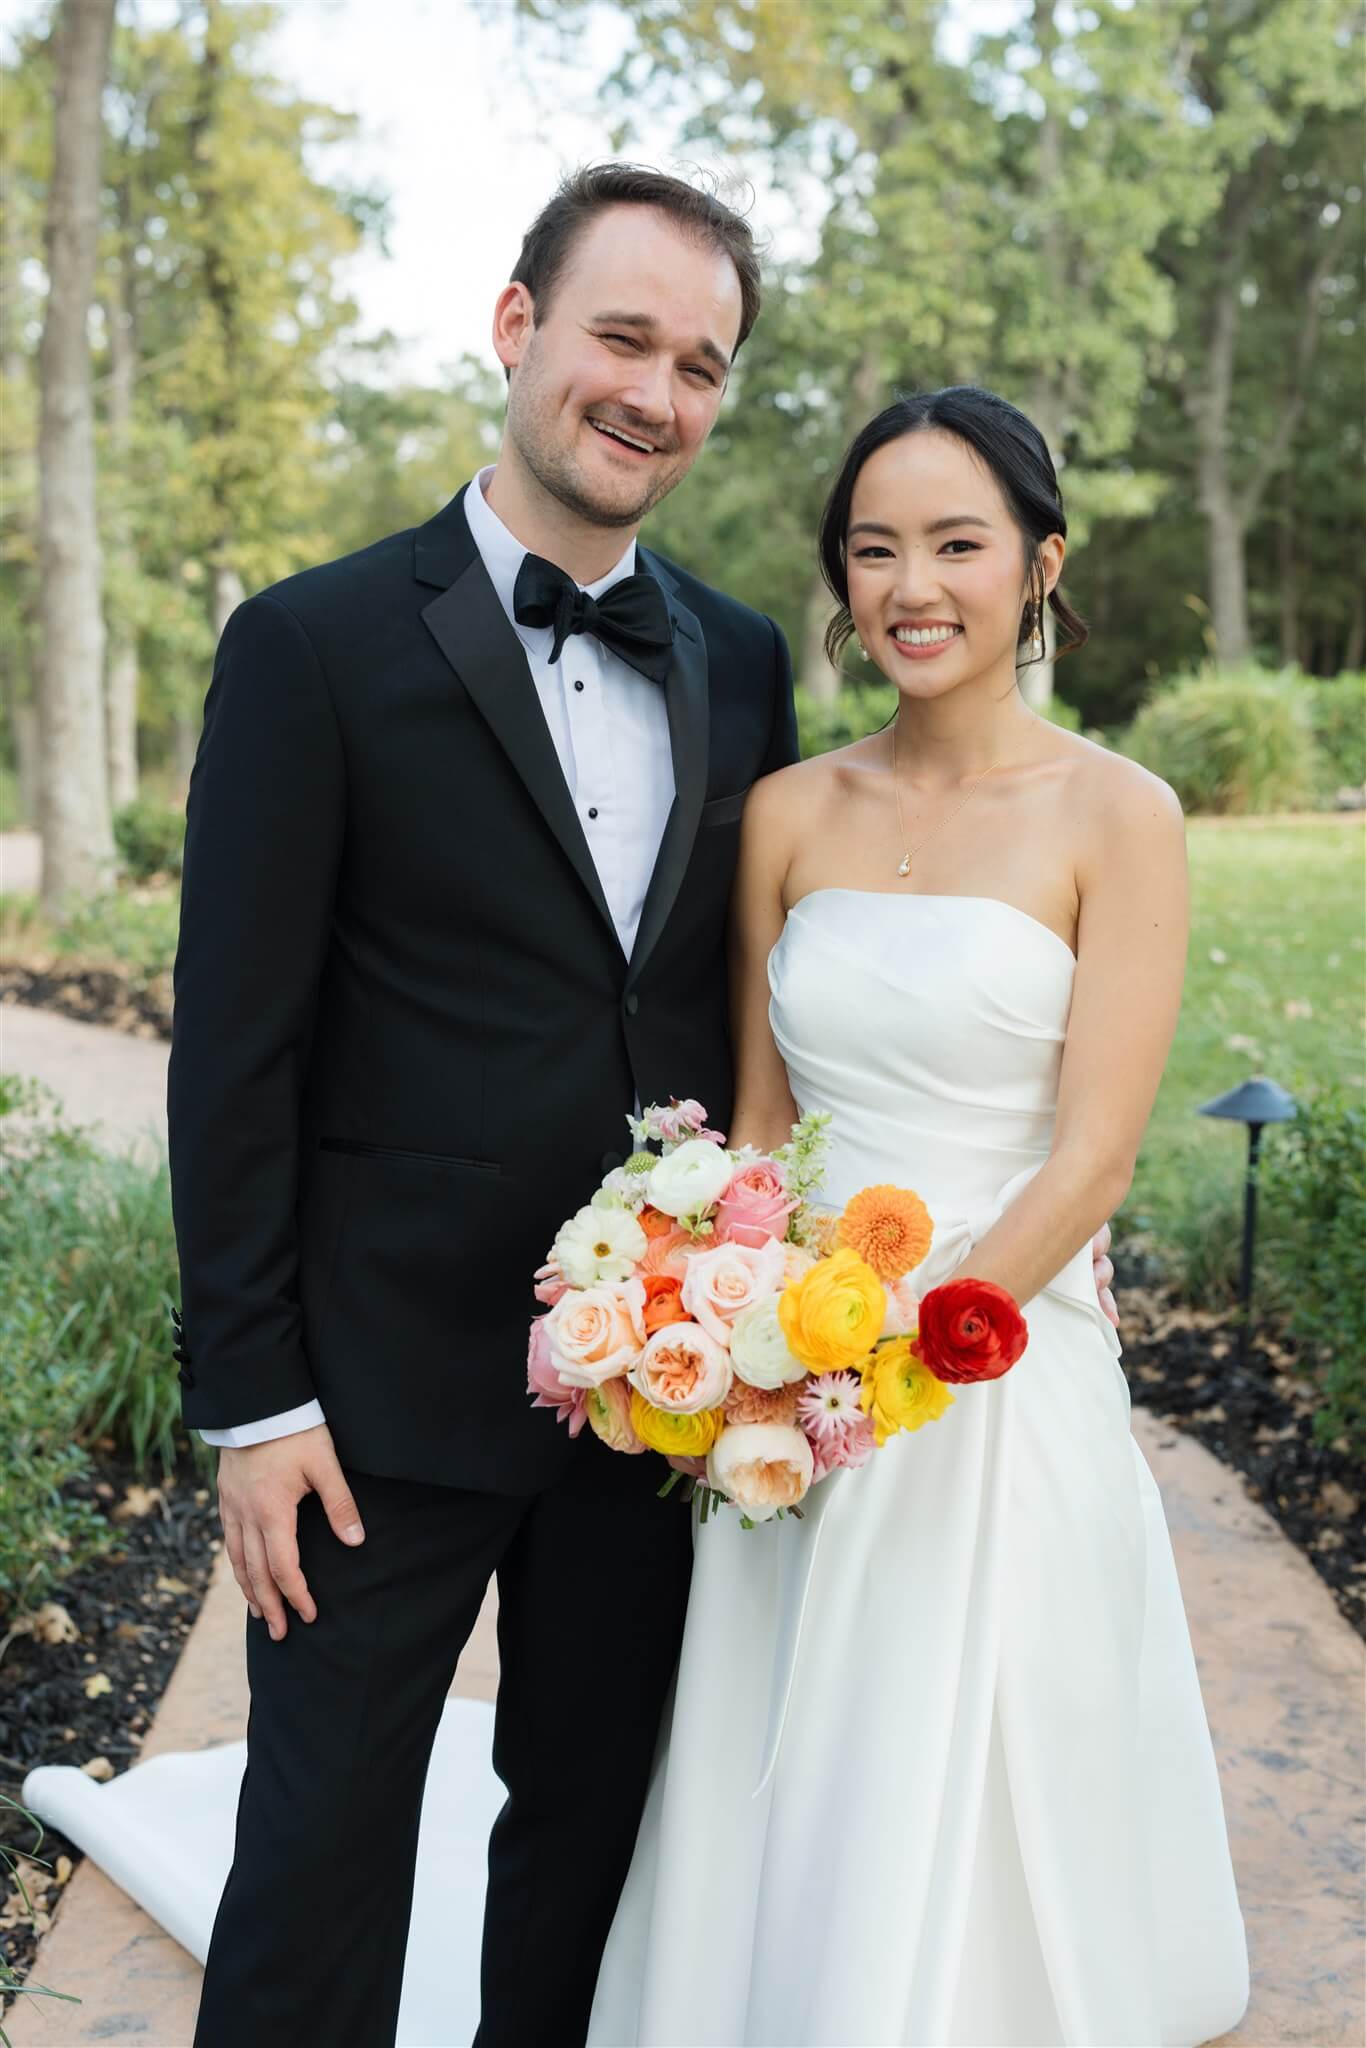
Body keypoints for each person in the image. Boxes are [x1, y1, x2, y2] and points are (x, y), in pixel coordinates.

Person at [169, 164, 1115, 2044]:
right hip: (374, 1395)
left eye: (699, 365)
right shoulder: (311, 644)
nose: (656, 394)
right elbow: (234, 1048)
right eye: (622, 338)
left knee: (593, 1849)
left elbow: (751, 1003)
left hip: (661, 1394)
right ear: (516, 326)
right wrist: (255, 1405)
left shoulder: (740, 659)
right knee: (318, 1856)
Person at [588, 389, 1249, 2047]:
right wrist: (740, 1335)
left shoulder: (1119, 816)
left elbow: (1092, 1158)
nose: (911, 587)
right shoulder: (790, 812)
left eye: (956, 544)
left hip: (991, 1356)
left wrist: (897, 1358)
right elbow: (761, 1128)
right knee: (800, 1736)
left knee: (985, 1732)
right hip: (789, 1369)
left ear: (1041, 563)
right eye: (873, 549)